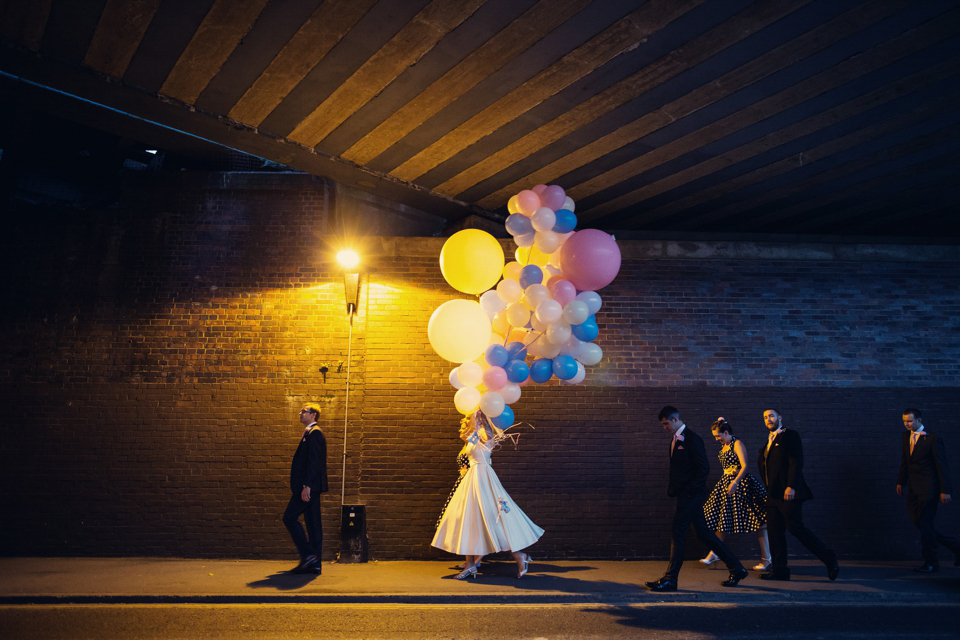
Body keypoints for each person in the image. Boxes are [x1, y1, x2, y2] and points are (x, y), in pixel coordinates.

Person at [645, 406, 748, 592]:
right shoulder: (676, 439)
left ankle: (670, 579)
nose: (664, 427)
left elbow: (704, 468)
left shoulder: (692, 439)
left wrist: (689, 492)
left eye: (666, 424)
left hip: (691, 496)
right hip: (686, 495)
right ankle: (737, 568)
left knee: (678, 531)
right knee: (704, 534)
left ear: (675, 420)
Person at [432, 410, 542, 579]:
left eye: (471, 419)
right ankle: (470, 565)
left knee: (495, 518)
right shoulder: (471, 436)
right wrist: (473, 418)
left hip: (483, 478)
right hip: (472, 479)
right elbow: (468, 435)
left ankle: (519, 555)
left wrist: (479, 417)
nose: (469, 422)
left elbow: (486, 438)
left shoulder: (485, 434)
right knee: (468, 519)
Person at [757, 408, 838, 581]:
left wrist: (791, 486)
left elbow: (796, 460)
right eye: (765, 417)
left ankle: (828, 557)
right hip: (772, 495)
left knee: (795, 527)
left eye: (771, 416)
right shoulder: (769, 441)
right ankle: (780, 571)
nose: (768, 419)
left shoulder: (790, 435)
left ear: (780, 417)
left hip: (788, 492)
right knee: (774, 532)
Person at [700, 417, 772, 571]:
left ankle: (767, 559)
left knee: (759, 522)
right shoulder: (724, 446)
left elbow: (745, 466)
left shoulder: (737, 443)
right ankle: (715, 553)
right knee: (722, 519)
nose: (716, 439)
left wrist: (735, 481)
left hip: (742, 485)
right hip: (726, 483)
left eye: (718, 435)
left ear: (726, 432)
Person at [897, 408, 960, 572]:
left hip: (929, 489)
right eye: (904, 421)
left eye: (909, 421)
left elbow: (942, 465)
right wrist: (900, 482)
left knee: (925, 524)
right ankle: (956, 548)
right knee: (920, 523)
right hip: (913, 489)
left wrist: (945, 490)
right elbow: (906, 461)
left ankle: (931, 562)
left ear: (919, 420)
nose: (907, 424)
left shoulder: (932, 438)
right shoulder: (905, 437)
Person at [282, 403, 328, 574]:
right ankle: (315, 564)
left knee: (289, 517)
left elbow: (313, 462)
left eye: (304, 411)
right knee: (313, 524)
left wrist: (307, 486)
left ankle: (309, 555)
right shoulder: (310, 433)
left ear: (313, 415)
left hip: (308, 488)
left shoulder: (314, 433)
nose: (300, 413)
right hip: (311, 487)